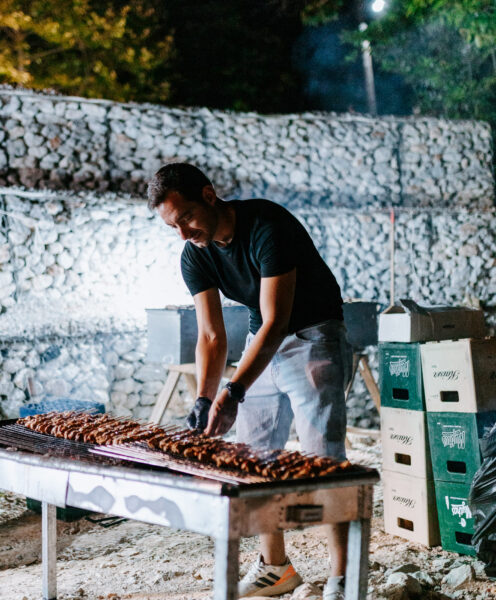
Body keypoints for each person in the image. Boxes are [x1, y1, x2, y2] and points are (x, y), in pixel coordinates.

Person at [147, 162, 352, 600]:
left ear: (208, 194)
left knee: (323, 459)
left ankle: (343, 576)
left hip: (314, 335)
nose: (183, 232)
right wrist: (205, 397)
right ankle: (276, 568)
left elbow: (278, 321)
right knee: (253, 457)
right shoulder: (195, 254)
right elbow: (210, 334)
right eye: (172, 226)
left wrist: (234, 390)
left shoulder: (267, 225)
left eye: (185, 218)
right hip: (264, 342)